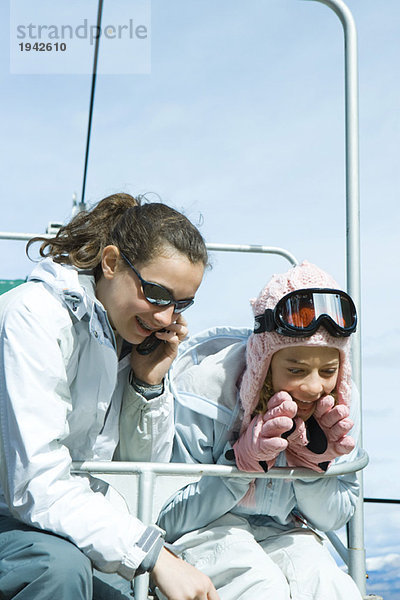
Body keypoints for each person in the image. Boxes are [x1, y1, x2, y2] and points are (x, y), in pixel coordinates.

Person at [0, 192, 220, 600]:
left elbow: (140, 479)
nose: (166, 317)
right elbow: (35, 485)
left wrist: (147, 385)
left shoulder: (125, 341)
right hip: (21, 519)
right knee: (59, 572)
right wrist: (153, 556)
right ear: (112, 262)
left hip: (54, 524)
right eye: (156, 293)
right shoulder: (36, 318)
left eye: (181, 303)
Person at [120, 260, 364, 599]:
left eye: (328, 370)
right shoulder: (205, 394)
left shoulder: (335, 408)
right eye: (295, 369)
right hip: (207, 530)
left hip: (284, 532)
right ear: (264, 361)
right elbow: (166, 518)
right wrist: (238, 465)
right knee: (261, 587)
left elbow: (333, 517)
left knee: (331, 585)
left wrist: (312, 468)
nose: (313, 387)